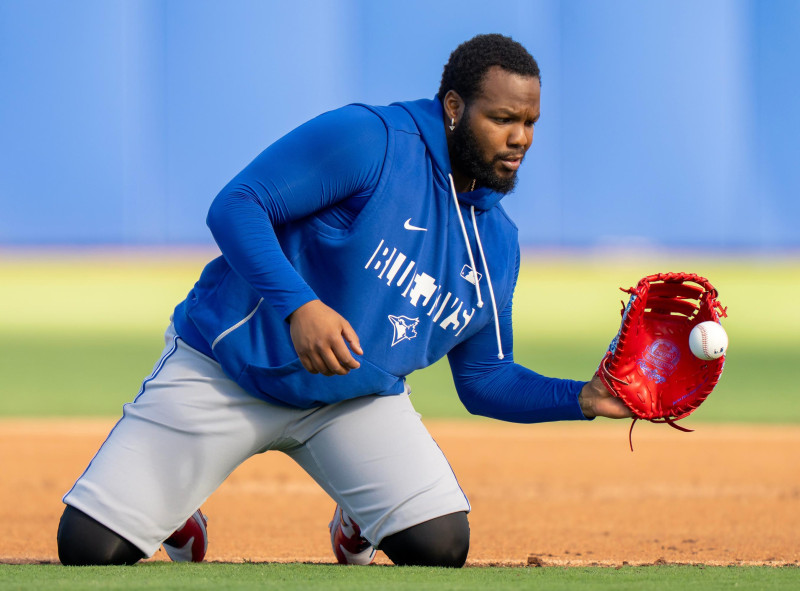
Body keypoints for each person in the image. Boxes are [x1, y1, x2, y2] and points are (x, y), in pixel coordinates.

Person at [57, 33, 631, 568]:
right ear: (454, 108)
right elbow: (237, 205)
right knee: (87, 549)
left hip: (351, 402)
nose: (520, 138)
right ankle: (176, 505)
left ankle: (358, 517)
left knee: (441, 546)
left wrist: (582, 397)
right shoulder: (373, 141)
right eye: (502, 118)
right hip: (226, 372)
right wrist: (299, 306)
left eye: (530, 122)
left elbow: (484, 379)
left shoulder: (496, 245)